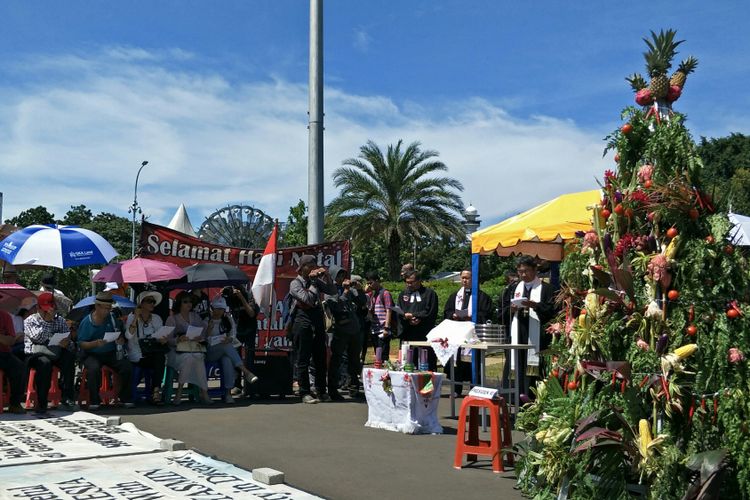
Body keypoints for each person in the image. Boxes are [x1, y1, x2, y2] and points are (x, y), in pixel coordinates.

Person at [501, 256, 556, 398]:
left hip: (537, 336)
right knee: (516, 362)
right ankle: (514, 397)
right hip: (518, 332)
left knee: (536, 366)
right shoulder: (513, 288)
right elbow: (502, 312)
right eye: (520, 271)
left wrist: (535, 306)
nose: (523, 275)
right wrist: (511, 310)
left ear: (535, 270)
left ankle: (534, 397)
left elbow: (552, 312)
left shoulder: (547, 289)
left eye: (526, 271)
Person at [288, 254, 337, 404]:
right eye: (309, 266)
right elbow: (308, 300)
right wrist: (315, 283)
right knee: (303, 358)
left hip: (317, 322)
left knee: (320, 358)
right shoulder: (295, 284)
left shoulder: (314, 281)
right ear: (302, 268)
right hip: (302, 322)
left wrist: (327, 276)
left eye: (314, 265)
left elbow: (333, 290)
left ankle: (321, 390)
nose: (312, 269)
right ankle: (304, 392)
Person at [77, 291, 134, 409]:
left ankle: (125, 397)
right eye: (106, 308)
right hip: (92, 353)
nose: (108, 311)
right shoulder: (86, 322)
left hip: (110, 352)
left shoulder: (112, 318)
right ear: (97, 306)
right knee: (93, 369)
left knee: (126, 366)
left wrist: (120, 339)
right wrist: (94, 344)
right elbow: (82, 344)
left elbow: (120, 333)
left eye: (109, 308)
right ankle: (94, 400)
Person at [23, 292, 78, 412]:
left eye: (50, 310)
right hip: (37, 352)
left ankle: (67, 397)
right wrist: (48, 322)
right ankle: (42, 402)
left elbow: (66, 335)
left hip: (56, 351)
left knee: (69, 357)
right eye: (45, 310)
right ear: (38, 308)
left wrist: (66, 342)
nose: (48, 312)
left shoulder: (60, 320)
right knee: (44, 364)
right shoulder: (30, 320)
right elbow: (37, 337)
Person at [443, 269, 492, 395]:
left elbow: (486, 314)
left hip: (473, 333)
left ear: (473, 279)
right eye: (462, 278)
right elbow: (447, 312)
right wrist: (453, 315)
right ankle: (456, 389)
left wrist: (472, 317)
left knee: (472, 361)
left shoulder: (482, 296)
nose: (464, 280)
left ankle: (473, 387)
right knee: (456, 360)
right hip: (457, 332)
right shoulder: (455, 296)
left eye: (467, 278)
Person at [205, 295, 259, 404]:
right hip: (210, 352)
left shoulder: (227, 319)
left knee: (227, 360)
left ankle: (228, 393)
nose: (220, 311)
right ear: (212, 308)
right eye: (217, 309)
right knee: (226, 347)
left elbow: (233, 335)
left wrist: (229, 338)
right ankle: (246, 371)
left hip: (224, 351)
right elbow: (203, 340)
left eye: (222, 309)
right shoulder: (207, 320)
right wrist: (209, 330)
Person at [325, 265, 365, 400]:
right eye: (339, 275)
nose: (342, 278)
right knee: (336, 360)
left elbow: (362, 303)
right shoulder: (330, 289)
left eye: (343, 275)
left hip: (354, 329)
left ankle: (354, 387)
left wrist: (359, 291)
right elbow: (335, 306)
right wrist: (345, 292)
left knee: (354, 360)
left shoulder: (350, 289)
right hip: (339, 330)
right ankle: (332, 389)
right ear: (333, 276)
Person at [165, 291, 212, 405]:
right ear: (179, 303)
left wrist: (200, 336)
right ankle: (184, 391)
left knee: (198, 356)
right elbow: (167, 340)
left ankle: (201, 392)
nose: (189, 304)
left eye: (190, 301)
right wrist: (178, 339)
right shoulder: (172, 319)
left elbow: (203, 335)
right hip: (176, 352)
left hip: (193, 349)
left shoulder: (195, 316)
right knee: (190, 358)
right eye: (185, 301)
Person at [125, 290, 169, 405]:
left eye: (153, 302)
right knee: (158, 359)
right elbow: (128, 336)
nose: (152, 304)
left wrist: (163, 339)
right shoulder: (131, 317)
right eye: (149, 301)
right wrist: (135, 318)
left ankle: (155, 390)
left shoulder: (156, 318)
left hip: (152, 352)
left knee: (160, 357)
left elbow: (161, 334)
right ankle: (154, 392)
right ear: (141, 303)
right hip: (137, 354)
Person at [397, 269, 439, 371]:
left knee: (427, 364)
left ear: (419, 280)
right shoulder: (403, 294)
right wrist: (406, 319)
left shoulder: (429, 294)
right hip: (408, 333)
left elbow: (431, 312)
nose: (409, 285)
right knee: (408, 364)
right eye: (407, 282)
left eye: (411, 282)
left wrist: (418, 318)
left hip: (424, 334)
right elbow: (399, 312)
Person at [223, 286, 259, 397]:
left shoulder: (250, 295)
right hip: (237, 330)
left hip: (249, 329)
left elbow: (251, 313)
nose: (233, 291)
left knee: (249, 358)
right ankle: (237, 385)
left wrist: (241, 297)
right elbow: (222, 308)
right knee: (236, 358)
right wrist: (223, 295)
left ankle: (250, 387)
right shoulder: (230, 297)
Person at [0, 308, 26, 413]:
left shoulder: (5, 316)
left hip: (3, 353)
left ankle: (15, 403)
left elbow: (11, 341)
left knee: (19, 366)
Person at [365, 272, 394, 363]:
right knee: (377, 356)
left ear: (377, 281)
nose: (369, 285)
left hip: (383, 330)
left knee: (383, 356)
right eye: (368, 283)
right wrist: (366, 291)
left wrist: (386, 327)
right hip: (374, 329)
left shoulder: (385, 293)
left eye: (371, 283)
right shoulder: (372, 294)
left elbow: (389, 310)